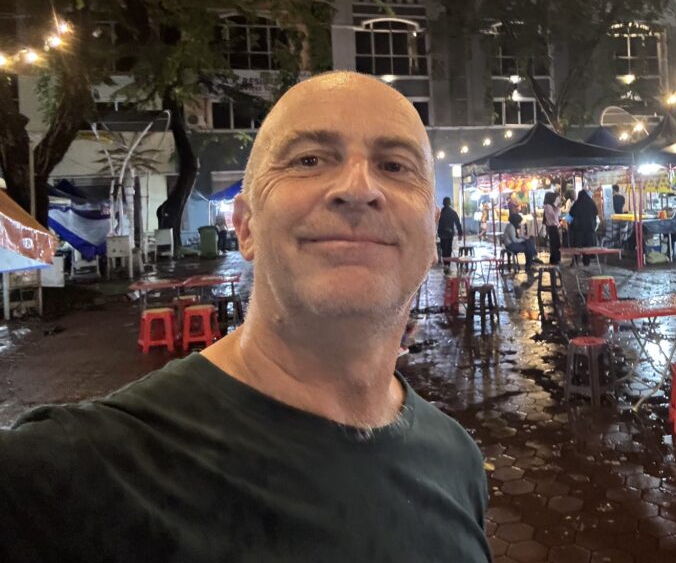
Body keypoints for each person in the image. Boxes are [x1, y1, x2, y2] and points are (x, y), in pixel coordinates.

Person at [0, 72, 490, 562]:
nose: (358, 188)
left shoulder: (457, 460)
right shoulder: (77, 475)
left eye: (395, 165)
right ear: (245, 227)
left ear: (432, 235)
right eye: (310, 160)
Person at [569, 189, 599, 265]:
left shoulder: (577, 203)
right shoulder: (591, 203)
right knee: (587, 245)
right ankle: (586, 261)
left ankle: (575, 260)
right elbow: (596, 212)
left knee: (577, 246)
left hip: (579, 229)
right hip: (589, 228)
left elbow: (571, 214)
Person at [436, 196, 463, 273]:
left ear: (443, 203)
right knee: (448, 249)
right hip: (449, 234)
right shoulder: (452, 212)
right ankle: (447, 264)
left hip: (442, 234)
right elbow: (458, 223)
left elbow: (436, 222)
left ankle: (445, 264)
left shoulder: (440, 213)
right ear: (449, 203)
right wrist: (460, 234)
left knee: (444, 249)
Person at [542, 191, 562, 264]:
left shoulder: (551, 206)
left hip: (554, 226)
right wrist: (556, 206)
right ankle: (554, 259)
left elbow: (557, 215)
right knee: (554, 244)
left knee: (557, 243)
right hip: (551, 227)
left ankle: (556, 258)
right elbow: (553, 216)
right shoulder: (548, 206)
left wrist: (557, 206)